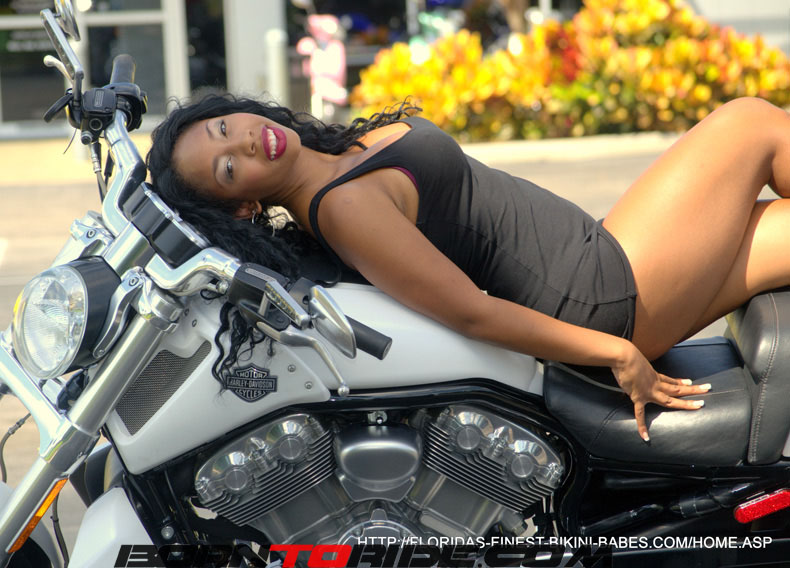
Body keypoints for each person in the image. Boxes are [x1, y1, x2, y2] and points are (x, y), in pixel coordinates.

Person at [146, 94, 790, 442]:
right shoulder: (341, 207)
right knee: (751, 124)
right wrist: (617, 354)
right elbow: (470, 312)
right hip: (604, 295)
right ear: (245, 207)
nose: (245, 141)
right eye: (228, 167)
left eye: (223, 127)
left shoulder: (331, 156)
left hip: (600, 254)